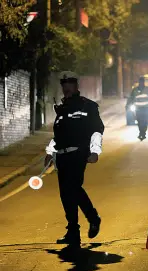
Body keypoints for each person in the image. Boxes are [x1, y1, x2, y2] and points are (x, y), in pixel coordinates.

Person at [44, 71, 105, 248]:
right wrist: (49, 152)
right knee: (66, 194)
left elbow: (96, 130)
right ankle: (73, 232)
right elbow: (58, 135)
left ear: (76, 86)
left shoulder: (88, 106)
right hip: (62, 156)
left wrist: (95, 151)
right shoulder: (62, 109)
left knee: (72, 188)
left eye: (70, 83)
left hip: (79, 154)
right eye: (64, 84)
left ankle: (93, 218)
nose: (66, 87)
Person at [128, 76, 148, 141]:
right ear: (139, 82)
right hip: (138, 109)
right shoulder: (135, 90)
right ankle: (141, 132)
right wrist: (128, 105)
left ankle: (143, 133)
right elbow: (131, 98)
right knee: (139, 121)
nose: (141, 83)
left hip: (145, 109)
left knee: (145, 122)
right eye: (140, 82)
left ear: (144, 82)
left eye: (142, 82)